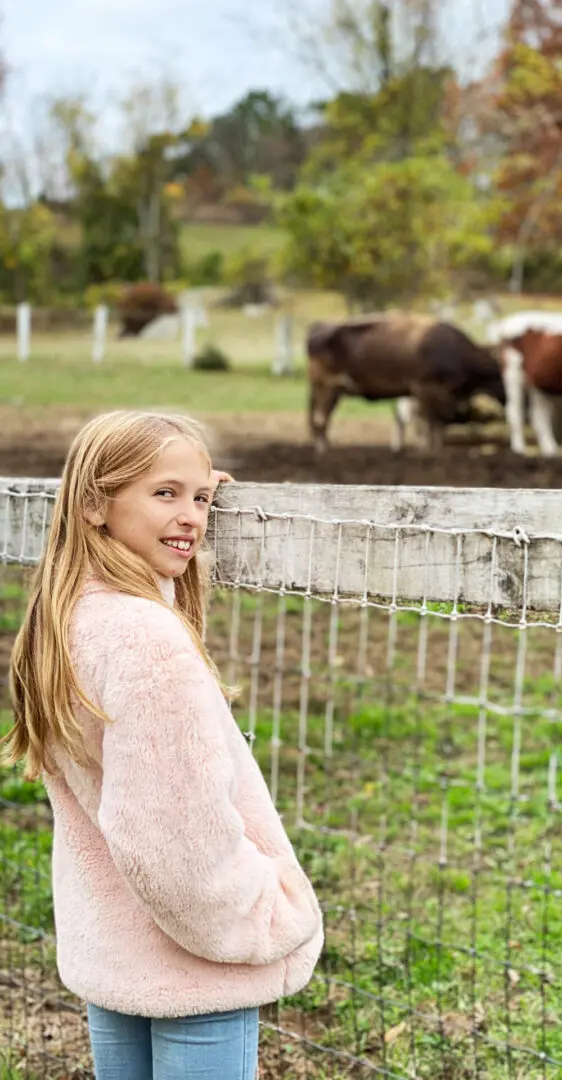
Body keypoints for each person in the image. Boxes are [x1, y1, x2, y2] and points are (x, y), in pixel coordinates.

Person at [1, 410, 323, 1080]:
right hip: (197, 960)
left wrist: (166, 505)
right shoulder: (148, 644)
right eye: (164, 494)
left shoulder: (69, 621)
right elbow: (172, 838)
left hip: (120, 948)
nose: (193, 518)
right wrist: (259, 915)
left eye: (202, 498)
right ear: (94, 503)